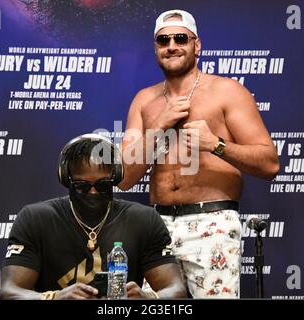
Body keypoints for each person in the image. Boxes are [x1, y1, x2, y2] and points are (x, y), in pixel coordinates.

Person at [119, 9, 280, 299]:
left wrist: (215, 144)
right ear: (156, 48)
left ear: (197, 45)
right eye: (163, 40)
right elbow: (124, 178)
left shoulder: (228, 91)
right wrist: (158, 126)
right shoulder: (144, 100)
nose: (171, 46)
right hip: (158, 225)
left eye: (180, 38)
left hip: (213, 223)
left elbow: (269, 163)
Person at [0, 133, 186, 300]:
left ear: (116, 177)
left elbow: (176, 290)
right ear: (66, 179)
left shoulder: (144, 219)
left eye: (103, 185)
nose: (93, 192)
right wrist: (55, 297)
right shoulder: (35, 219)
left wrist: (148, 297)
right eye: (82, 186)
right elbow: (9, 292)